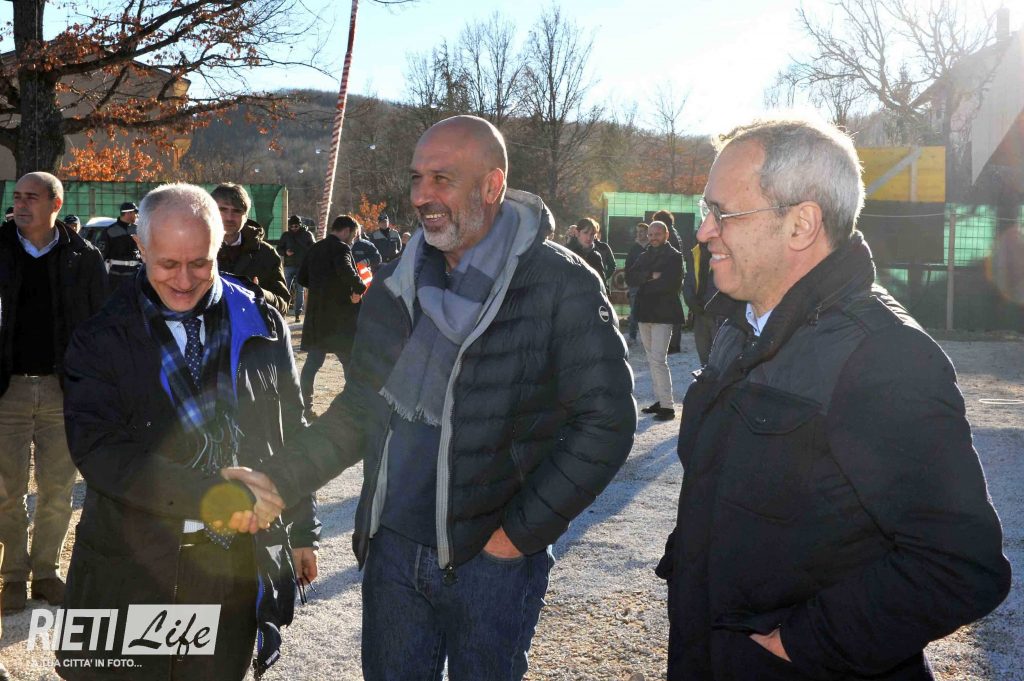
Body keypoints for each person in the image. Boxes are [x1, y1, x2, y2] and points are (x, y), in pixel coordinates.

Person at [224, 115, 636, 680]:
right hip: (393, 551)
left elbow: (606, 422)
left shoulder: (559, 284)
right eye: (417, 178)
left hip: (492, 563)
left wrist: (515, 537)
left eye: (442, 178)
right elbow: (361, 409)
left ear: (492, 186)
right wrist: (279, 480)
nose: (422, 195)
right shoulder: (396, 286)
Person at [658, 118, 1011, 681]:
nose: (704, 232)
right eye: (706, 211)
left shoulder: (883, 356)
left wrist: (803, 644)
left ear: (801, 225)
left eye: (722, 213)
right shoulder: (740, 327)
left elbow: (959, 565)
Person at [57, 183, 320, 680]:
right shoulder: (100, 335)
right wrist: (214, 493)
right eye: (167, 264)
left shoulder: (261, 321)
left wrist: (303, 528)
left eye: (200, 263)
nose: (183, 281)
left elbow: (292, 430)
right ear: (140, 248)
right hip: (133, 567)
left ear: (221, 247)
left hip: (230, 573)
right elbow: (101, 453)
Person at [0, 172, 107, 614]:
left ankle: (46, 572)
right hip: (6, 390)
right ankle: (12, 576)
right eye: (17, 197)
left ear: (55, 204)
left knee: (58, 489)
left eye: (31, 197)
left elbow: (99, 326)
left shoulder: (84, 257)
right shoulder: (0, 249)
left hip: (63, 392)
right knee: (6, 490)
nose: (21, 204)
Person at [297, 214, 367, 421]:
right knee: (349, 362)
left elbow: (302, 278)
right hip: (339, 318)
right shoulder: (341, 248)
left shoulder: (315, 248)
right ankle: (355, 408)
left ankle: (305, 407)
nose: (353, 240)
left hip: (317, 316)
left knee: (312, 364)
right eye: (353, 235)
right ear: (346, 231)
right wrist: (359, 287)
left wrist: (321, 287)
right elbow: (347, 272)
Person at [626, 221, 684, 421]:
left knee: (658, 359)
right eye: (650, 234)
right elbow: (630, 277)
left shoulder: (674, 256)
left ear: (666, 235)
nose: (653, 237)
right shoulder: (644, 255)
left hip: (663, 315)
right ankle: (660, 400)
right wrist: (651, 276)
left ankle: (667, 407)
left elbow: (670, 284)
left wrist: (644, 283)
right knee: (652, 359)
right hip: (645, 313)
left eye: (657, 234)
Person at [212, 183, 290, 316]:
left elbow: (283, 304)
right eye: (222, 209)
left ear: (246, 216)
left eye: (237, 211)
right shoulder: (194, 249)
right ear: (210, 211)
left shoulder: (266, 253)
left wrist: (259, 294)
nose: (229, 217)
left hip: (251, 327)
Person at [682, 239, 721, 366]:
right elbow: (688, 280)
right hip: (699, 312)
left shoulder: (725, 251)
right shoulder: (694, 253)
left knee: (720, 356)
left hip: (719, 313)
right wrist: (691, 302)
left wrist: (710, 304)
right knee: (704, 355)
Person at [651, 209, 686, 351]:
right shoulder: (674, 233)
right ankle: (673, 343)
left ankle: (672, 344)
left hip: (668, 278)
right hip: (676, 276)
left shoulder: (668, 236)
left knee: (669, 311)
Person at [278, 214, 316, 321]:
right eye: (292, 226)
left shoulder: (307, 234)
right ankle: (283, 311)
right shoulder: (286, 235)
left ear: (300, 225)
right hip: (289, 265)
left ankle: (297, 314)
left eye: (296, 226)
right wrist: (285, 252)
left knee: (300, 290)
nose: (294, 228)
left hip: (302, 266)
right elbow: (279, 249)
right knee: (285, 288)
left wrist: (307, 255)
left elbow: (314, 248)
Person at [100, 200, 143, 293]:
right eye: (135, 213)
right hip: (115, 277)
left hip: (135, 275)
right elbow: (101, 256)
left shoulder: (139, 230)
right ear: (128, 213)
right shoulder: (109, 231)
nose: (137, 215)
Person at [625, 222, 650, 342]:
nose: (639, 234)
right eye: (637, 232)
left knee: (650, 311)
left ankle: (648, 337)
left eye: (641, 232)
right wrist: (629, 282)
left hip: (650, 284)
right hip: (635, 284)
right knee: (634, 311)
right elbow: (628, 267)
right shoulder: (634, 248)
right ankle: (632, 336)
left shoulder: (651, 247)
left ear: (647, 233)